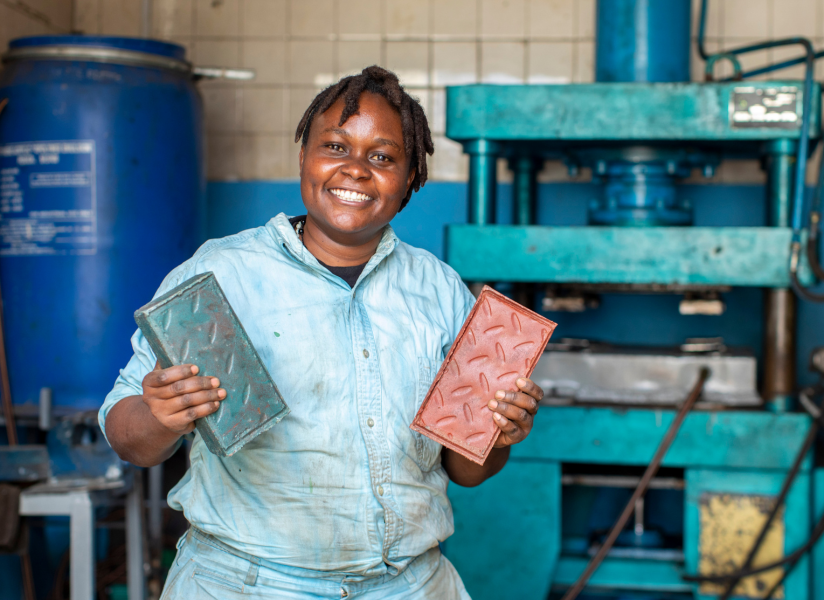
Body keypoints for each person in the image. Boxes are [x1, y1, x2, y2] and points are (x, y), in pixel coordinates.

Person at [100, 66, 544, 599]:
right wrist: (157, 415)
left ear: (409, 179)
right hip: (244, 584)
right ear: (305, 157)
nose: (356, 169)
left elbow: (466, 471)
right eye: (335, 146)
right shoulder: (222, 274)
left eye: (382, 157)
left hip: (409, 585)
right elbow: (129, 440)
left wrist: (498, 431)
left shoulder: (438, 289)